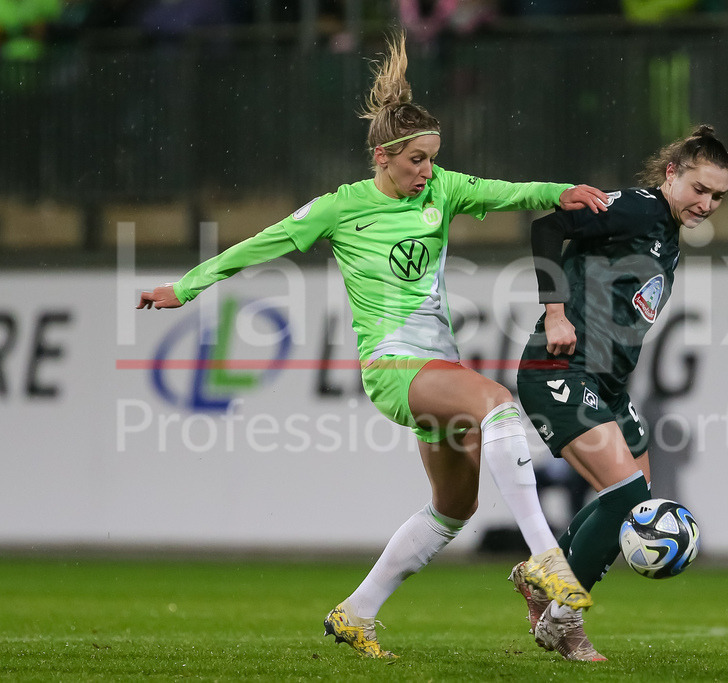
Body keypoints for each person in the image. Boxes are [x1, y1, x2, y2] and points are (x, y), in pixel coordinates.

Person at [136, 30, 609, 659]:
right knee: (496, 402)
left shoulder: (443, 190)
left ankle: (356, 613)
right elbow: (261, 244)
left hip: (436, 366)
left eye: (433, 159)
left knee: (453, 508)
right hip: (393, 367)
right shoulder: (340, 208)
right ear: (382, 156)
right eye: (416, 160)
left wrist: (558, 193)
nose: (428, 171)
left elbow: (506, 191)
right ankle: (546, 558)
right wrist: (186, 287)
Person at [511, 125, 728, 660]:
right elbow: (546, 228)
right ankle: (563, 618)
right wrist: (556, 312)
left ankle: (544, 578)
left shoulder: (665, 234)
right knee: (629, 499)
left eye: (718, 196)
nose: (707, 203)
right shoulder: (635, 208)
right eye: (700, 189)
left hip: (607, 383)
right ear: (672, 174)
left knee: (638, 492)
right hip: (559, 367)